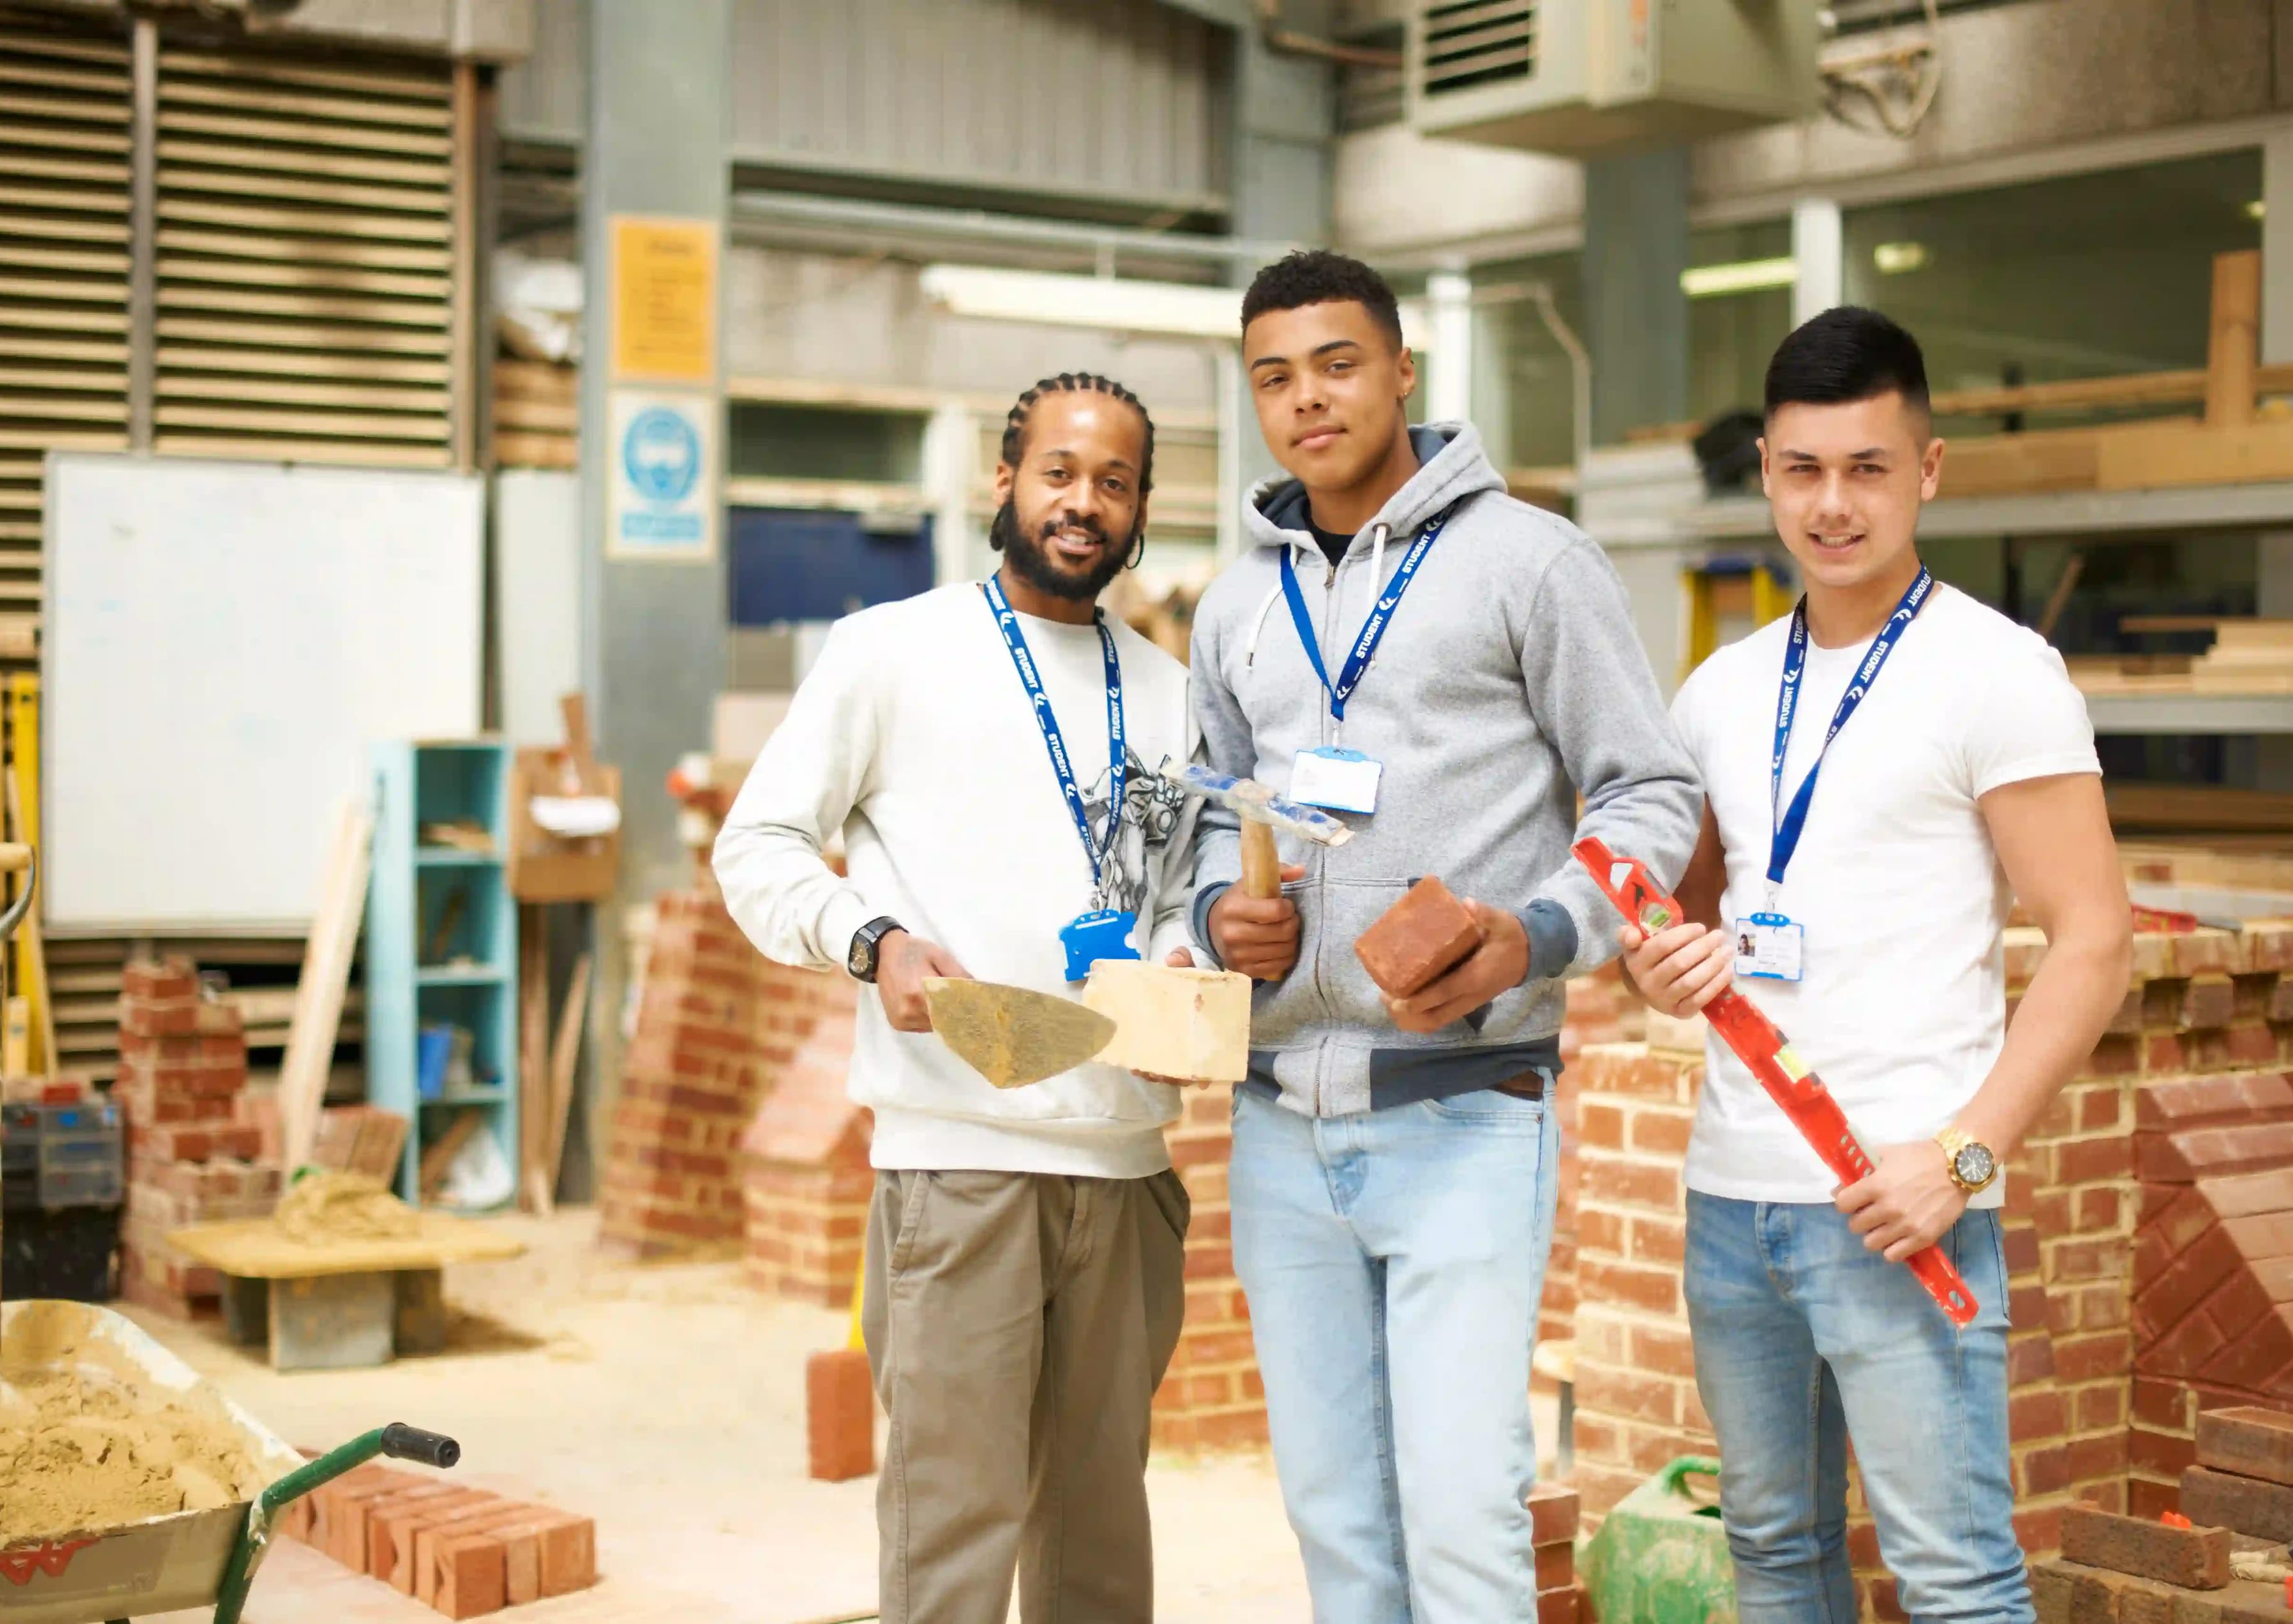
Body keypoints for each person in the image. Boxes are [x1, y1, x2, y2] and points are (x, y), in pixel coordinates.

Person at [1189, 249, 1703, 1620]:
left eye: (1339, 364)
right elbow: (1203, 811)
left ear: (1405, 370)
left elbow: (1653, 792)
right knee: (1336, 1523)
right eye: (1275, 377)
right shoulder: (1234, 602)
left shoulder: (1531, 562)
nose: (1309, 400)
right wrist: (1208, 908)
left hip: (1465, 1112)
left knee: (1466, 1519)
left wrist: (1541, 931)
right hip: (1277, 1125)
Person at [1619, 306, 2133, 1620]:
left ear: (1929, 469)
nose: (1832, 503)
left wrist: (1962, 1158)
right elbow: (1675, 926)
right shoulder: (1720, 690)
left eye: (1867, 467)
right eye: (1802, 468)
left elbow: (2095, 941)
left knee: (1955, 1577)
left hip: (1901, 1206)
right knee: (1777, 1555)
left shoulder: (1999, 673)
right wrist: (1657, 963)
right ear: (1770, 474)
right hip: (1734, 1203)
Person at [715, 372, 1202, 1624]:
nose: (1082, 503)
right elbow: (756, 845)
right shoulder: (891, 651)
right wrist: (871, 941)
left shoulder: (1172, 694)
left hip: (1128, 1169)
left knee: (1100, 1548)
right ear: (1005, 481)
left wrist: (1203, 953)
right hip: (956, 1165)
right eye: (1058, 472)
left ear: (1143, 504)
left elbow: (1179, 901)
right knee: (952, 1534)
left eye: (1114, 480)